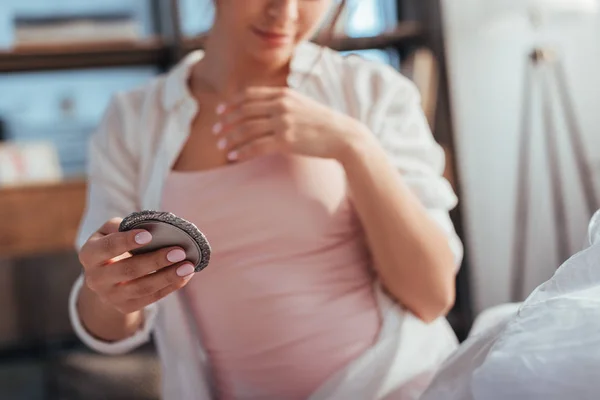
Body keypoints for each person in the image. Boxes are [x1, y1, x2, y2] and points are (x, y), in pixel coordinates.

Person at [69, 1, 463, 399]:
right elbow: (106, 325)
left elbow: (432, 297)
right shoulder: (133, 120)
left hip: (395, 383)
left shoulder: (372, 92)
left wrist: (353, 145)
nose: (286, 13)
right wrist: (109, 289)